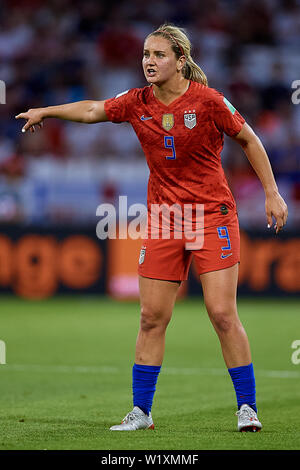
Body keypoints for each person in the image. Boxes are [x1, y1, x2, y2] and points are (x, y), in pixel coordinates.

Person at [15, 24, 288, 432]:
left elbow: (249, 140)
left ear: (180, 61)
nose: (149, 61)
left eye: (159, 55)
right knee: (150, 317)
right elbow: (92, 110)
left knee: (222, 314)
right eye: (145, 54)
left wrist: (272, 193)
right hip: (163, 220)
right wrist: (46, 111)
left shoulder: (209, 101)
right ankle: (141, 412)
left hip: (211, 216)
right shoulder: (136, 102)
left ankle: (247, 408)